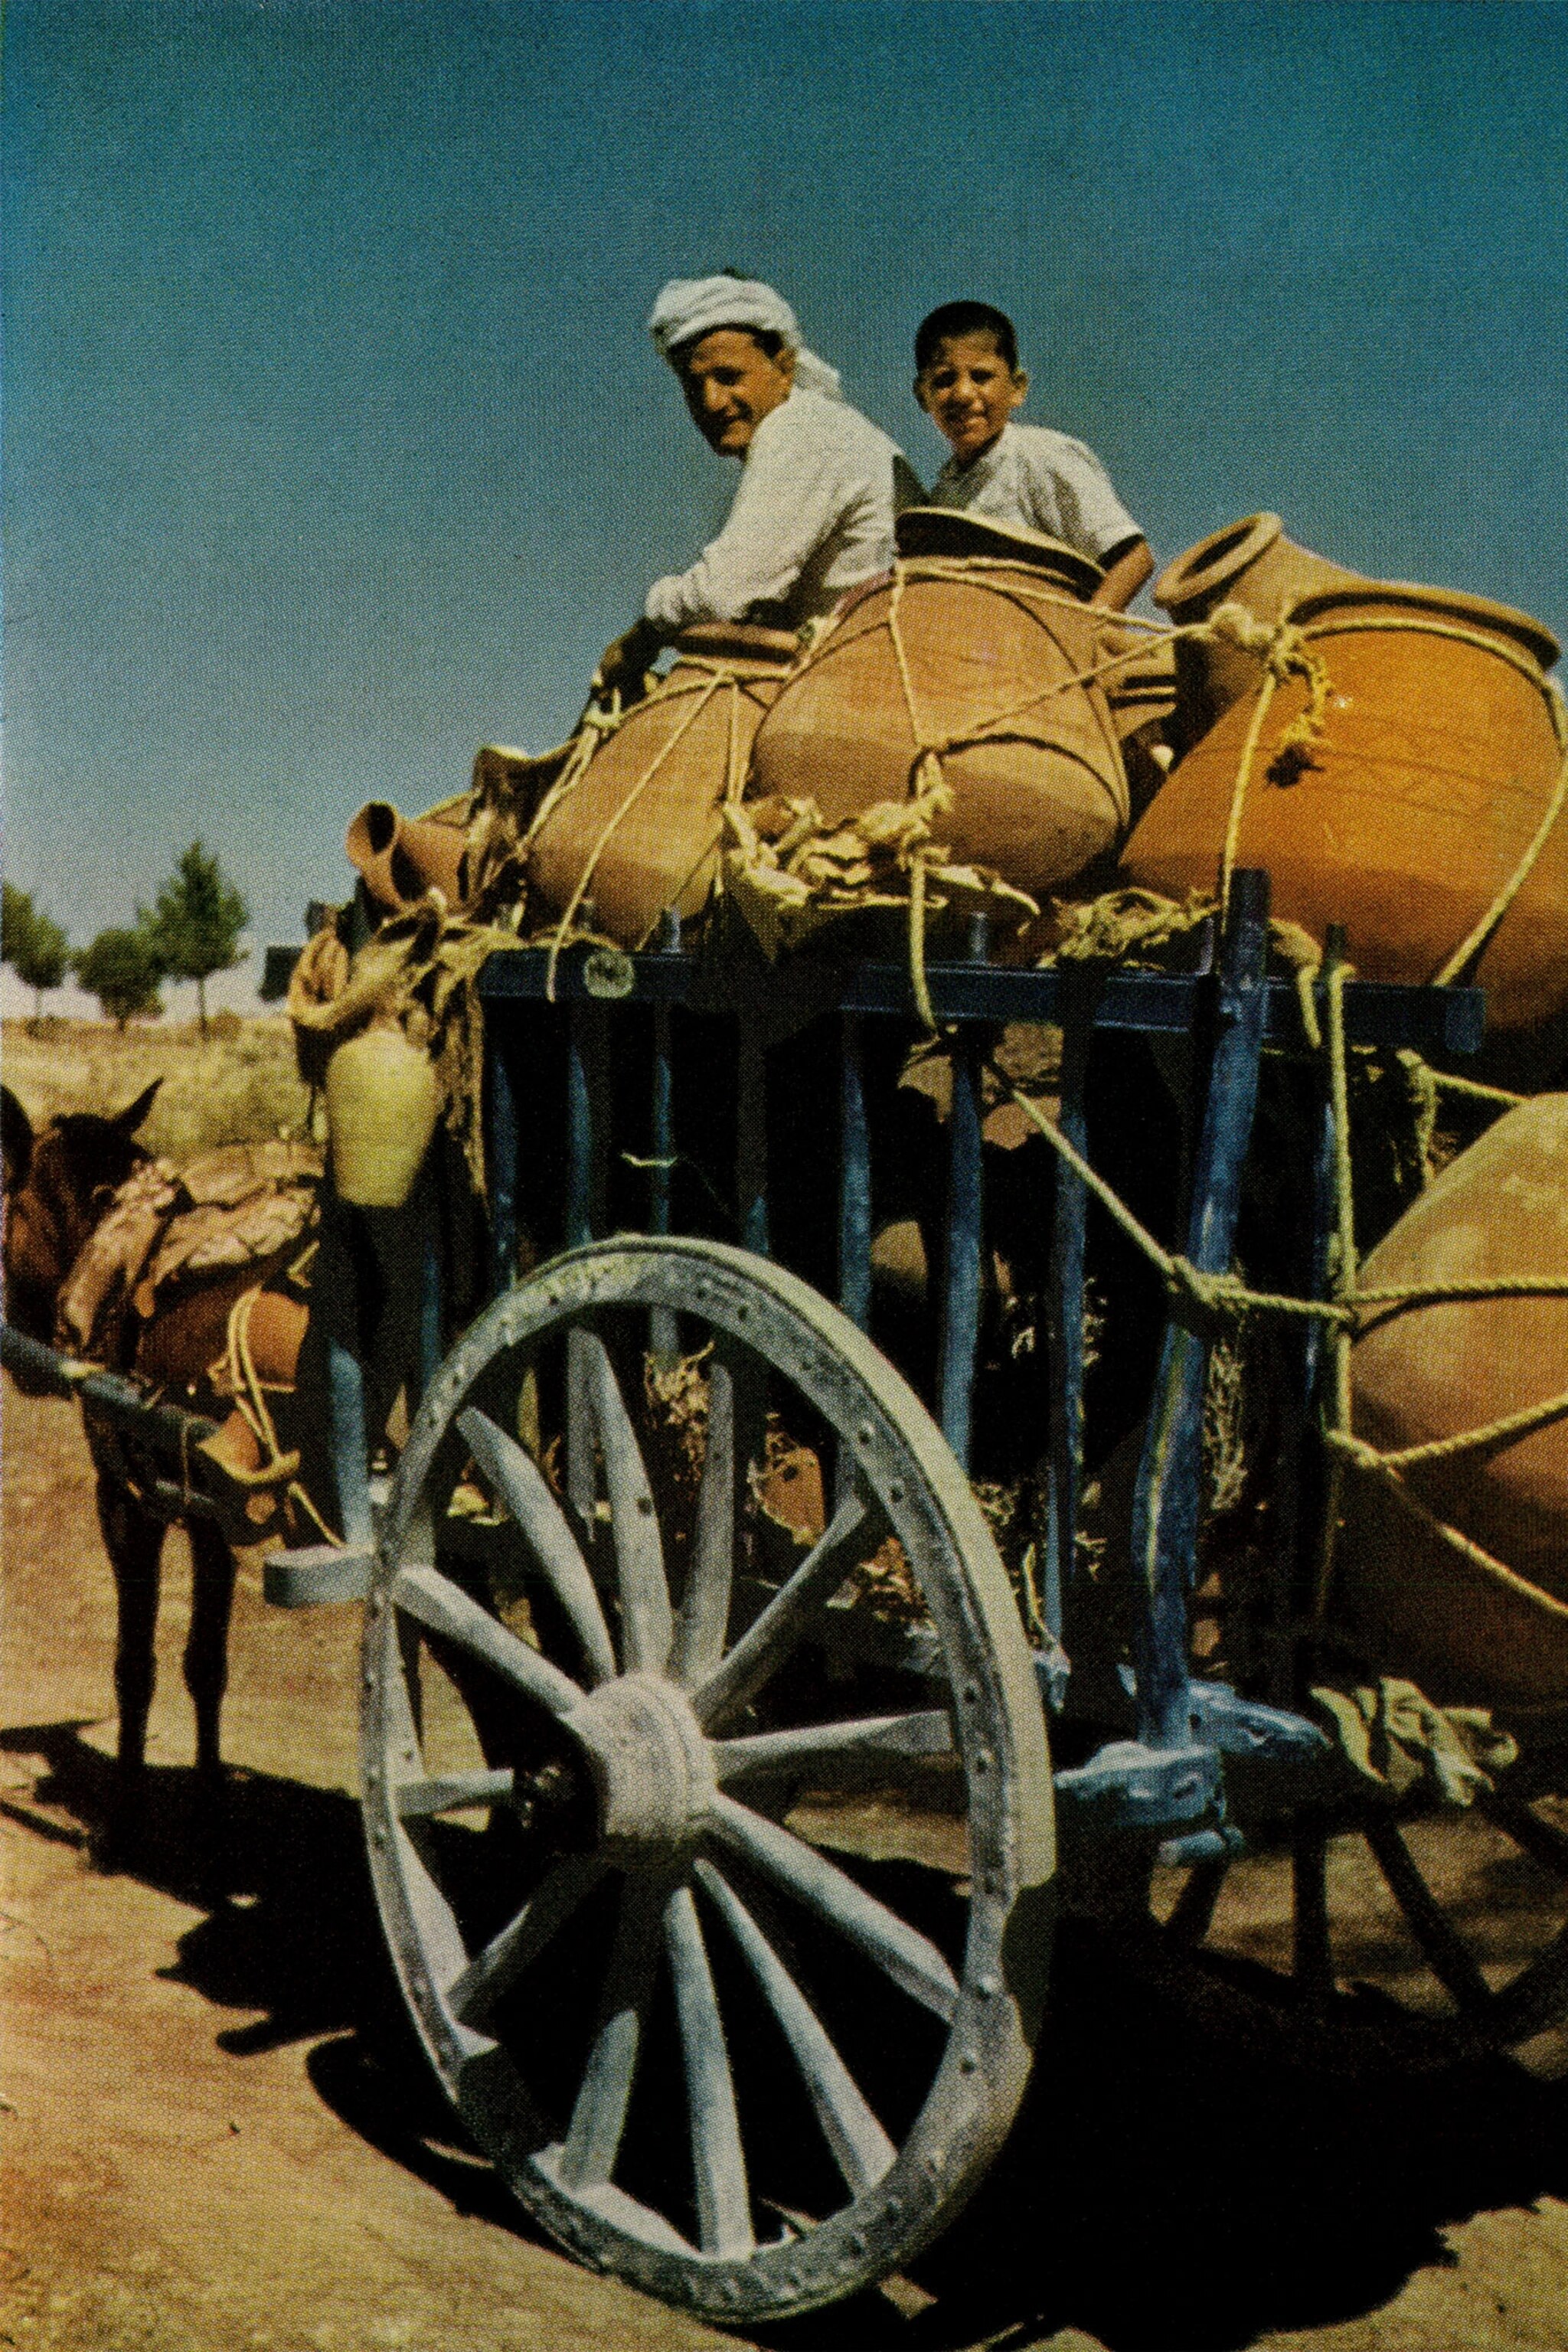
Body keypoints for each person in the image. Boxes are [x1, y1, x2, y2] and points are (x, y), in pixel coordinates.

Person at [597, 276, 920, 696]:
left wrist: (641, 637)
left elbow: (723, 594)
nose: (712, 401)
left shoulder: (801, 429)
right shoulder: (822, 426)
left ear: (784, 369)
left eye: (729, 377)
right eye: (695, 385)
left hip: (873, 677)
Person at [913, 299, 1152, 611]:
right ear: (923, 396)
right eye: (944, 380)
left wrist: (1084, 633)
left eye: (982, 376)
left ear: (1017, 388)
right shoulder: (943, 497)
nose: (963, 394)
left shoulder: (1041, 458)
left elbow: (1134, 559)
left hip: (1050, 642)